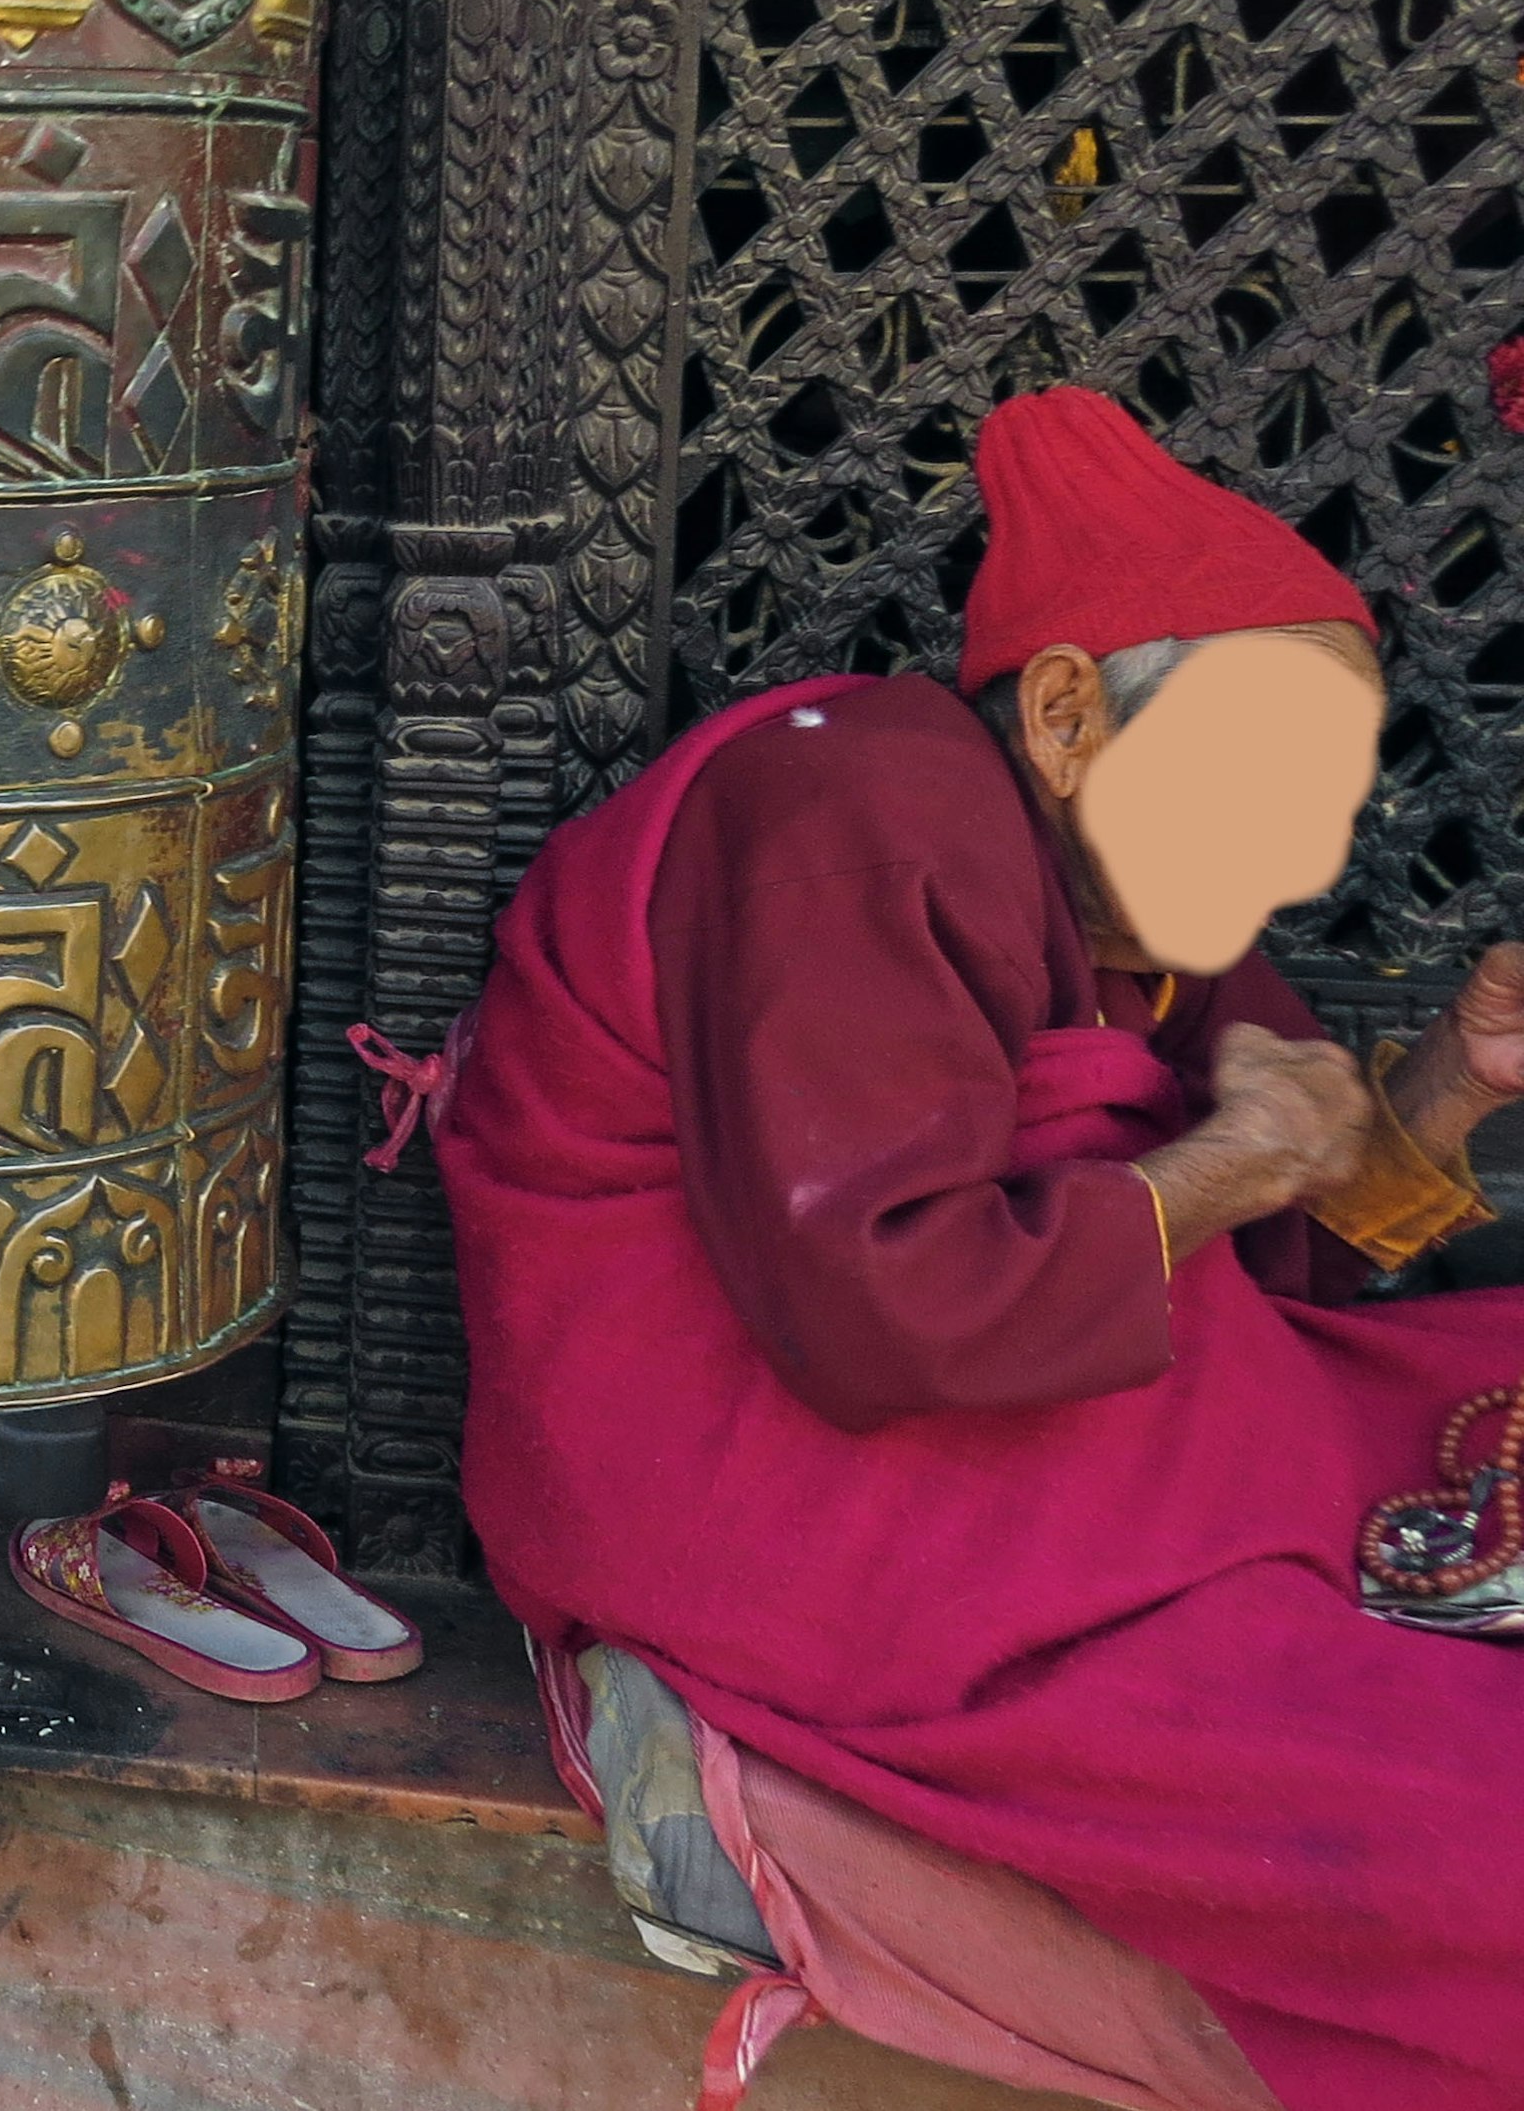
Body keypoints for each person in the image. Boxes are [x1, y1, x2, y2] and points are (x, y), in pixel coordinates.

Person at [432, 384, 1524, 2110]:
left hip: (1063, 1428)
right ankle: (737, 1750)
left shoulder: (1138, 899)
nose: (1309, 852)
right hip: (794, 1479)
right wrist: (1235, 1163)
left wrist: (1445, 1090)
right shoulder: (857, 803)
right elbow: (881, 1301)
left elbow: (1274, 1221)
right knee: (1467, 1839)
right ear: (1074, 712)